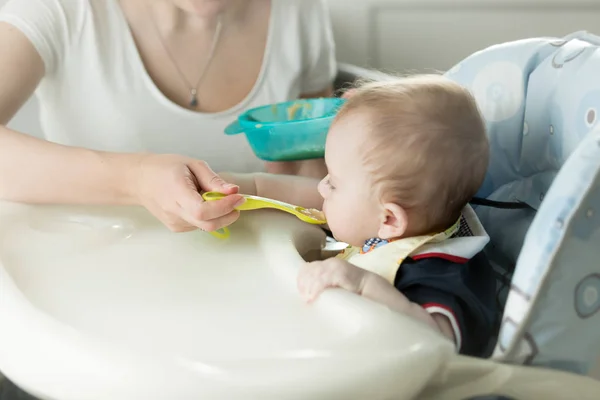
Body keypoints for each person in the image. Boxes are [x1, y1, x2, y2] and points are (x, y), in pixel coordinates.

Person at [0, 0, 335, 235]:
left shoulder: (301, 9)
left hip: (263, 270)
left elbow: (315, 174)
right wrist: (136, 178)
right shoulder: (55, 9)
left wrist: (346, 152)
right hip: (94, 270)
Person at [229, 76, 497, 356]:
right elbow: (294, 193)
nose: (321, 187)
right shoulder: (391, 224)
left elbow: (438, 343)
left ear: (389, 220)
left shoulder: (444, 271)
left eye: (333, 182)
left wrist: (363, 283)